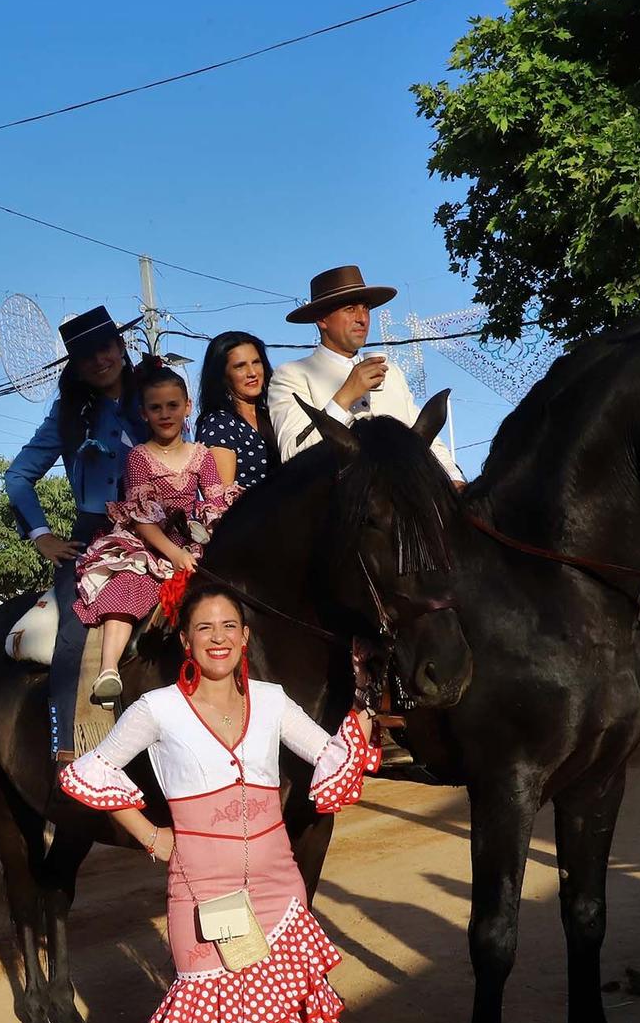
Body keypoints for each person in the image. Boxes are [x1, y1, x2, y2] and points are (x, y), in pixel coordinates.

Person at [59, 585, 391, 1023]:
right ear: (185, 642)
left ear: (244, 639)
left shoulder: (270, 702)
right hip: (204, 898)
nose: (216, 637)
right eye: (203, 627)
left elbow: (331, 758)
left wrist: (362, 725)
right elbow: (91, 771)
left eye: (228, 626)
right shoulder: (155, 709)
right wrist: (154, 837)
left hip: (278, 892)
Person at [6, 306, 147, 760]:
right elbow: (17, 477)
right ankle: (68, 748)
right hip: (95, 534)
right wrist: (41, 535)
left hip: (166, 527)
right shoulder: (67, 416)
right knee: (73, 628)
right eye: (87, 355)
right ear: (77, 366)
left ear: (121, 347)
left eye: (105, 347)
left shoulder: (157, 395)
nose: (100, 360)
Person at [73, 358, 241, 703]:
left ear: (187, 408)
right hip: (148, 544)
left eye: (172, 405)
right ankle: (108, 668)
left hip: (191, 545)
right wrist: (175, 553)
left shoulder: (201, 455)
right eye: (155, 407)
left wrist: (202, 542)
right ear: (144, 413)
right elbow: (141, 518)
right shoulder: (139, 456)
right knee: (126, 584)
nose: (165, 414)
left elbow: (213, 503)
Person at [266, 266, 462, 482]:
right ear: (322, 319)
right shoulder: (291, 375)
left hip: (405, 502)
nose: (362, 319)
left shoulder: (392, 372)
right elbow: (294, 456)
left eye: (366, 308)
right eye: (350, 309)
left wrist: (454, 478)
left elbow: (423, 436)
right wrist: (345, 396)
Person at [193, 331, 279, 492]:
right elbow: (221, 495)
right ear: (222, 375)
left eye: (256, 362)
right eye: (240, 366)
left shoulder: (272, 414)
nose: (252, 373)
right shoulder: (218, 423)